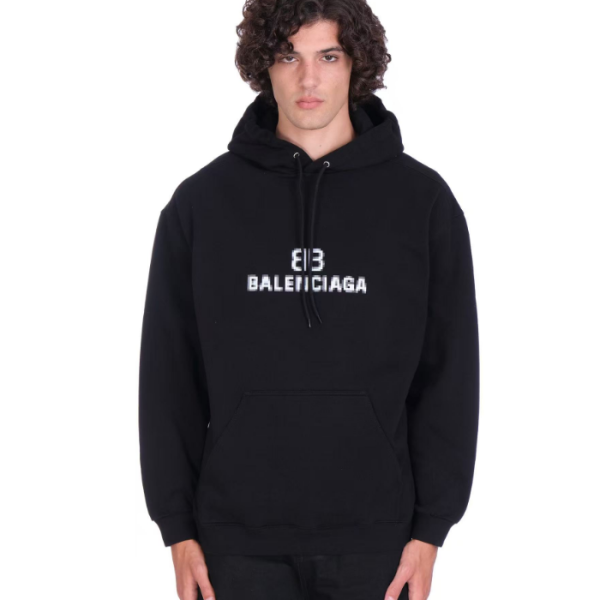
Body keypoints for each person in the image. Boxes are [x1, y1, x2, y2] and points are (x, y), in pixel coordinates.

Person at [138, 1, 480, 599]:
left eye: (328, 56)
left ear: (356, 64)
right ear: (263, 66)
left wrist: (432, 529)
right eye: (287, 56)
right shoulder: (201, 206)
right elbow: (168, 375)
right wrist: (177, 528)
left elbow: (450, 374)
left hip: (379, 541)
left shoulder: (422, 204)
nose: (308, 79)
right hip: (233, 542)